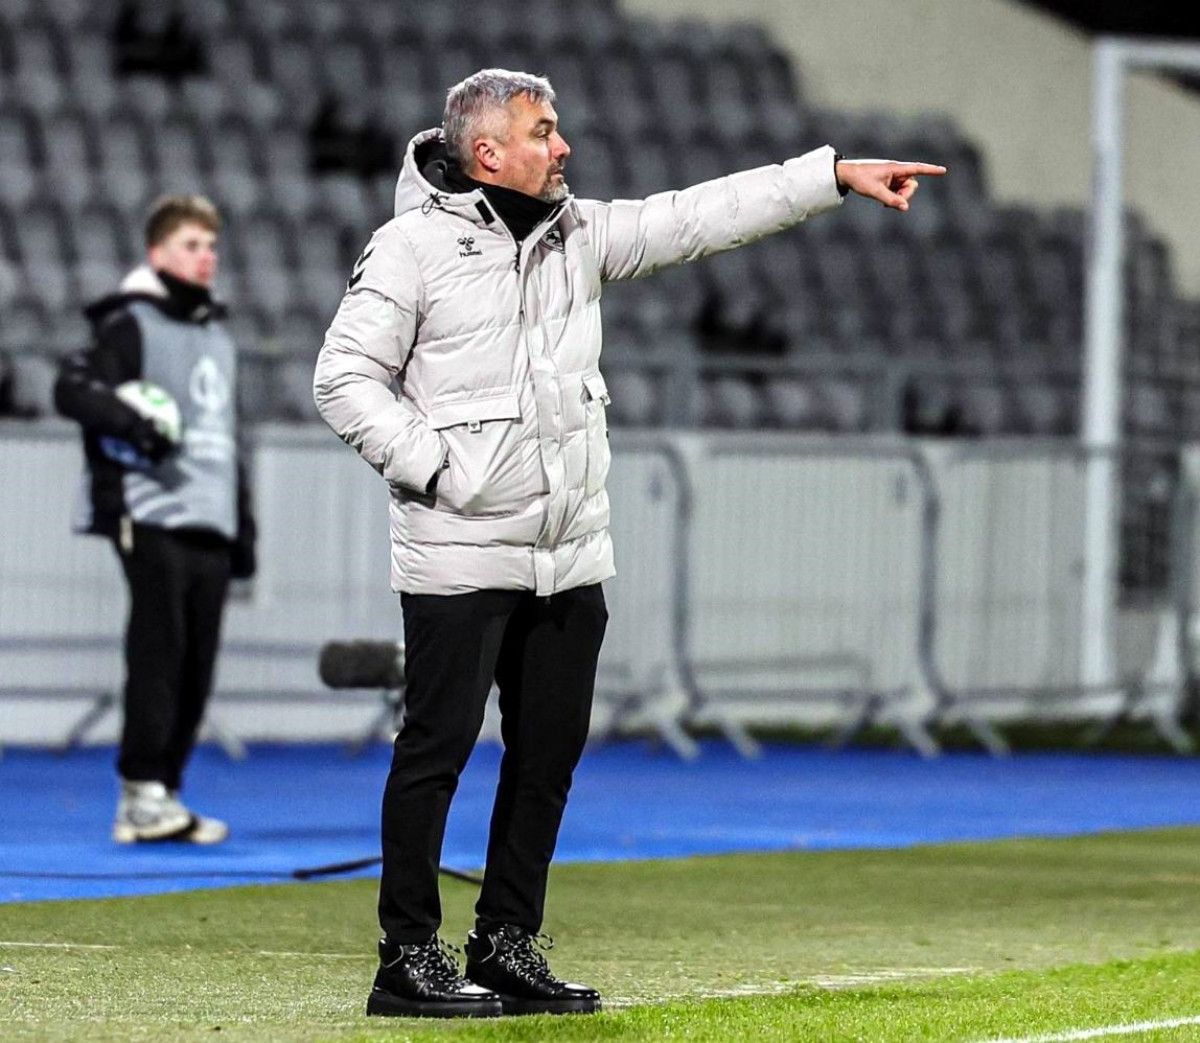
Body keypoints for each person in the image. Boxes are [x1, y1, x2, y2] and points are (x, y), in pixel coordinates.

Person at [313, 68, 945, 1019]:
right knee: (435, 751)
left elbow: (699, 216)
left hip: (569, 551)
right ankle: (406, 957)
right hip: (461, 547)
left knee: (547, 756)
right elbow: (342, 378)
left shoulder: (577, 233)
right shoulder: (411, 247)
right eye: (543, 131)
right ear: (488, 152)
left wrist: (830, 177)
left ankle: (505, 941)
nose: (562, 145)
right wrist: (440, 471)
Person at [55, 194, 256, 845]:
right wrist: (135, 426)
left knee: (198, 664)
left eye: (211, 246)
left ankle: (162, 793)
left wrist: (244, 525)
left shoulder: (219, 337)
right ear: (157, 253)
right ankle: (139, 791)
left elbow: (226, 437)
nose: (206, 257)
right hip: (151, 511)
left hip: (210, 519)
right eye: (191, 245)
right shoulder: (130, 324)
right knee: (159, 652)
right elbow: (72, 387)